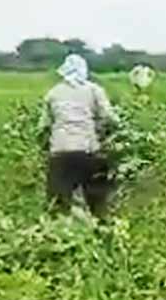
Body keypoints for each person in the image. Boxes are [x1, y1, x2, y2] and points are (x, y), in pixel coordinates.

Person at [40, 54, 119, 217]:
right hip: (88, 150)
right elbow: (111, 119)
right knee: (98, 205)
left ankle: (58, 235)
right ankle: (101, 233)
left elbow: (43, 127)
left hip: (60, 153)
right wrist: (100, 129)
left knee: (57, 205)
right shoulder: (94, 90)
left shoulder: (53, 93)